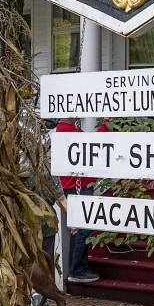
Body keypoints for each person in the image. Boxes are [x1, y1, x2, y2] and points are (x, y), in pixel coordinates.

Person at [54, 119, 103, 283]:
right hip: (77, 186)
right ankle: (77, 269)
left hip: (81, 184)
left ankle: (80, 266)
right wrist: (105, 127)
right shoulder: (64, 129)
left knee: (81, 226)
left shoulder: (70, 129)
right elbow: (89, 145)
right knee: (82, 226)